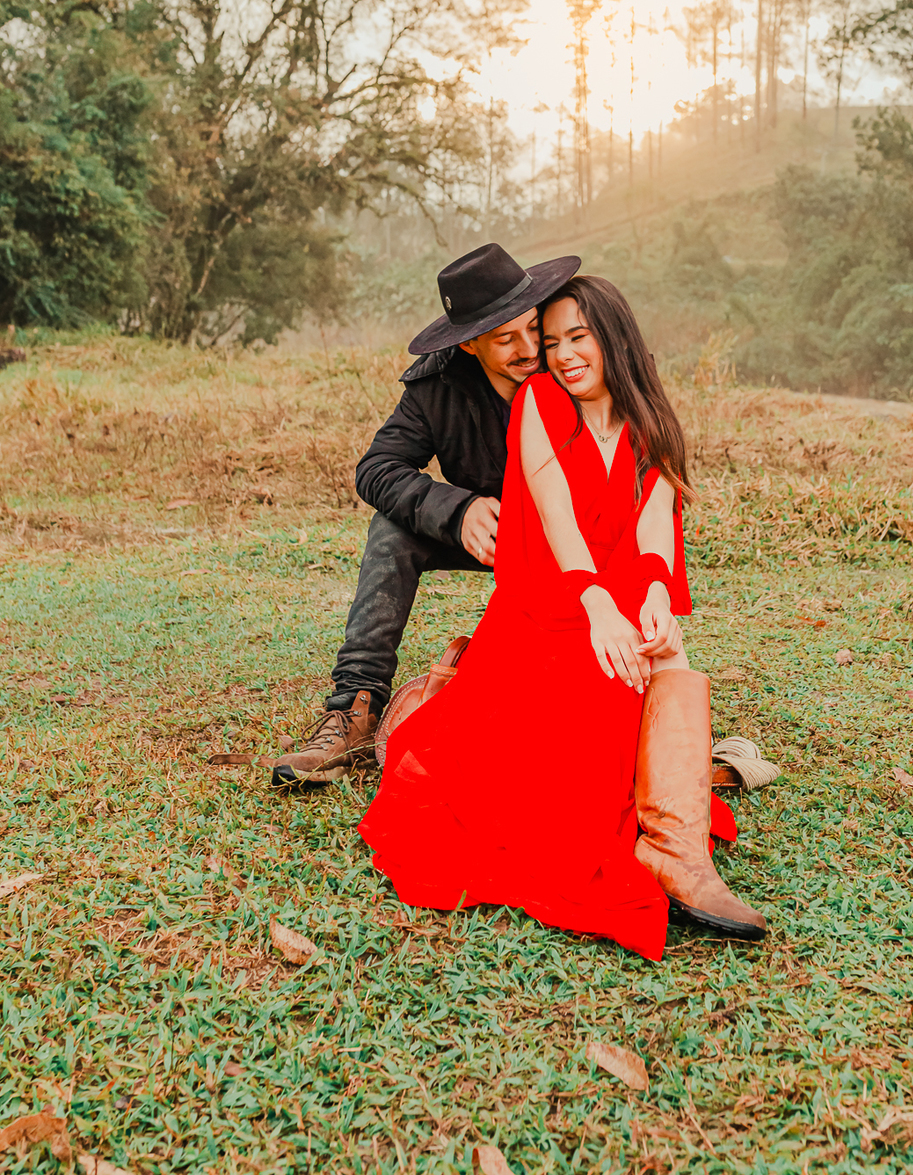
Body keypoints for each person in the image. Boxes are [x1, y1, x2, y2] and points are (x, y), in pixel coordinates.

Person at [358, 275, 767, 959]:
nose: (559, 354)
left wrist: (655, 593)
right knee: (551, 782)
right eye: (552, 343)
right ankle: (373, 699)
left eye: (576, 338)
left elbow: (656, 520)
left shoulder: (649, 416)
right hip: (549, 598)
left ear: (615, 337)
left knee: (665, 646)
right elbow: (557, 518)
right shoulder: (541, 400)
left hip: (616, 592)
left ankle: (678, 851)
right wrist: (598, 606)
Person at [271, 242, 581, 788]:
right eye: (505, 339)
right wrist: (456, 510)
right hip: (492, 533)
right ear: (468, 344)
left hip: (576, 536)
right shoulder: (434, 387)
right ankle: (356, 710)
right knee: (392, 530)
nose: (531, 348)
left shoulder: (575, 361)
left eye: (533, 327)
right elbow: (377, 469)